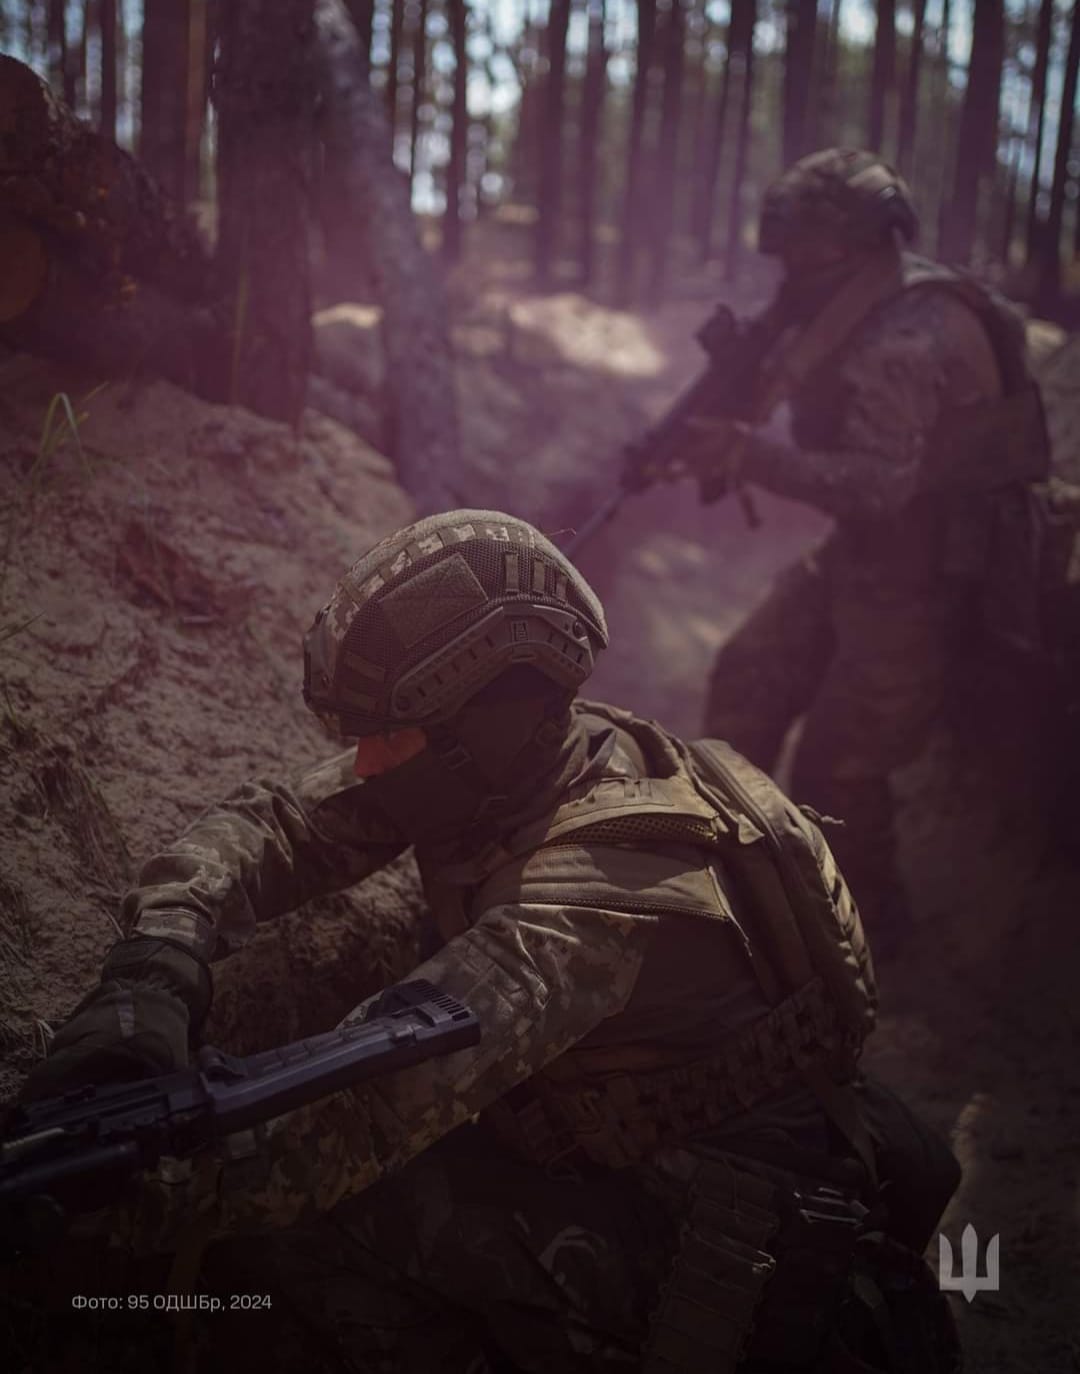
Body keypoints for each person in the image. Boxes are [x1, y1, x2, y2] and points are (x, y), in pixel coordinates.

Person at [21, 510, 961, 1373]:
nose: (366, 761)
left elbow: (340, 1131)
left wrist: (85, 1212)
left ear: (485, 727)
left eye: (394, 737)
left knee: (280, 1255)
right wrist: (158, 959)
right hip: (622, 1162)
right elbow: (279, 826)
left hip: (722, 1262)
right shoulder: (528, 759)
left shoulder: (589, 907)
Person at [694, 148, 1051, 954]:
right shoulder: (863, 298)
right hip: (869, 554)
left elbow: (878, 486)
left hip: (930, 575)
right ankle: (721, 885)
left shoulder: (911, 329)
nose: (785, 272)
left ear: (844, 247)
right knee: (749, 672)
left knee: (839, 772)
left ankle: (873, 942)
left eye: (797, 254)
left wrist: (747, 455)